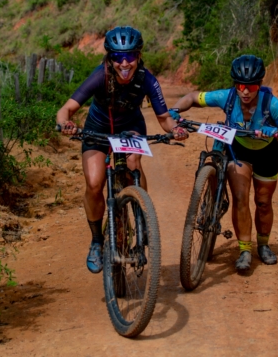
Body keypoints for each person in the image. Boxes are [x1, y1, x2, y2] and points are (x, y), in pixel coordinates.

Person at [56, 26, 188, 273]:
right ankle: (97, 241)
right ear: (110, 58)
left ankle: (142, 214)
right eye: (118, 57)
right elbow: (66, 109)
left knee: (133, 164)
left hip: (130, 127)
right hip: (98, 129)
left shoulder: (147, 79)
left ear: (139, 56)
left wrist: (176, 129)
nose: (124, 63)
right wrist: (65, 123)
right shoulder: (100, 76)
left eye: (130, 56)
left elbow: (164, 118)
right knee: (94, 184)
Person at [168, 55, 278, 270]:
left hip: (266, 152)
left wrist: (275, 131)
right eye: (240, 86)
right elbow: (192, 97)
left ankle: (263, 245)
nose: (245, 91)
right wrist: (175, 110)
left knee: (263, 202)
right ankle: (245, 250)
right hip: (239, 149)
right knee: (240, 197)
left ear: (260, 85)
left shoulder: (271, 104)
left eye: (251, 86)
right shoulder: (227, 97)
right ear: (235, 85)